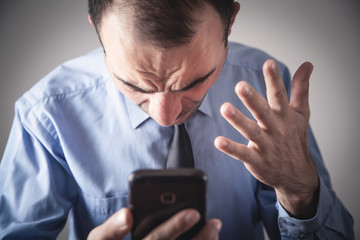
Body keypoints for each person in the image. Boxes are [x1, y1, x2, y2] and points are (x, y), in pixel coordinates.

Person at [0, 0, 354, 239]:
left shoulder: (266, 88)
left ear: (230, 20)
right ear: (96, 27)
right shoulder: (47, 114)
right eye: (134, 84)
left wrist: (301, 193)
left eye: (196, 81)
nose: (165, 116)